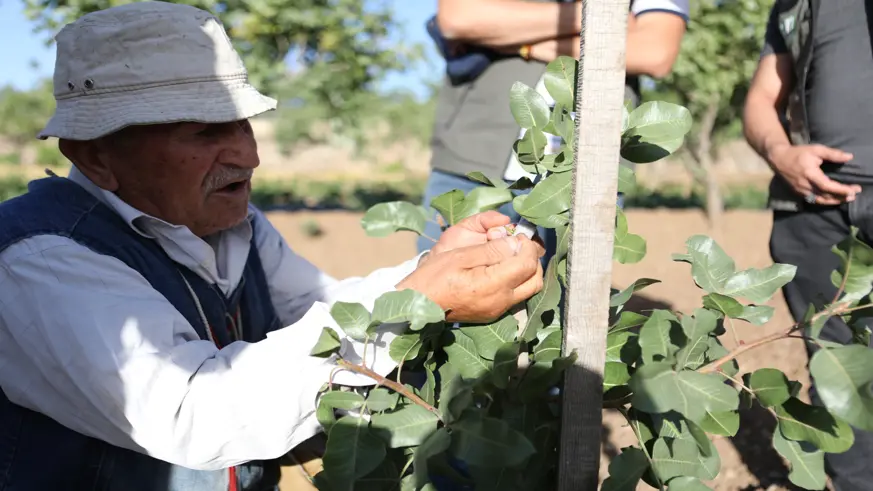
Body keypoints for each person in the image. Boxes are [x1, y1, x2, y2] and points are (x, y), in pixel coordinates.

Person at [0, 3, 545, 490]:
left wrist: (436, 268)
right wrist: (423, 303)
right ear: (95, 157)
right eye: (204, 133)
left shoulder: (234, 224)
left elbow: (316, 306)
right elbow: (193, 414)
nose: (247, 155)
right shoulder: (42, 259)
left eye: (243, 124)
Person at [417, 0, 690, 255]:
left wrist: (521, 44)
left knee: (565, 299)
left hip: (589, 175)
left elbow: (654, 52)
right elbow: (459, 17)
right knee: (443, 294)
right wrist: (596, 15)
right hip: (468, 164)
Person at [743, 1, 873, 489]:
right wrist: (781, 153)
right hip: (814, 213)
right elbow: (760, 101)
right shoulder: (798, 4)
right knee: (836, 364)